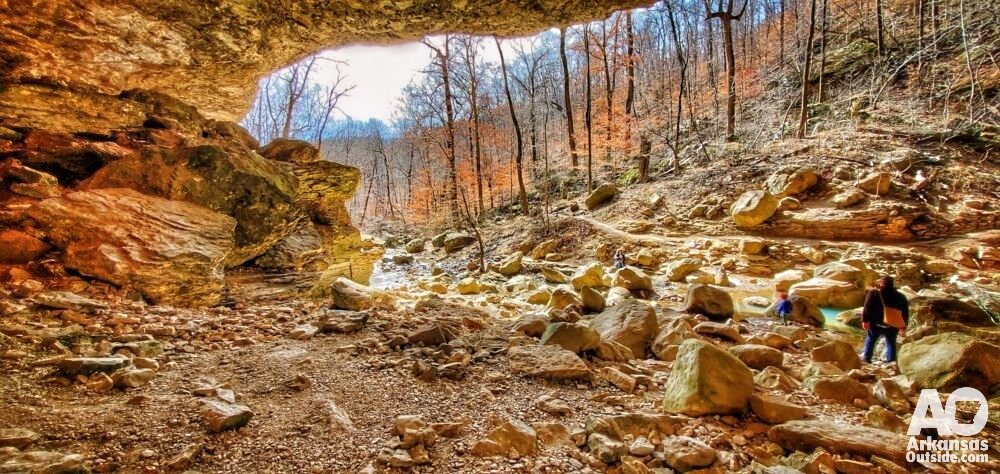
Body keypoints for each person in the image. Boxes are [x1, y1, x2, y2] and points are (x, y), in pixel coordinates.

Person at [861, 275, 909, 364]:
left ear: (882, 283)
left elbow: (867, 307)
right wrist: (904, 325)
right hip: (892, 324)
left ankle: (867, 359)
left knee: (871, 339)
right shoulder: (901, 296)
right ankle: (891, 362)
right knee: (891, 343)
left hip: (876, 323)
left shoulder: (874, 293)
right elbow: (905, 312)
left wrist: (865, 320)